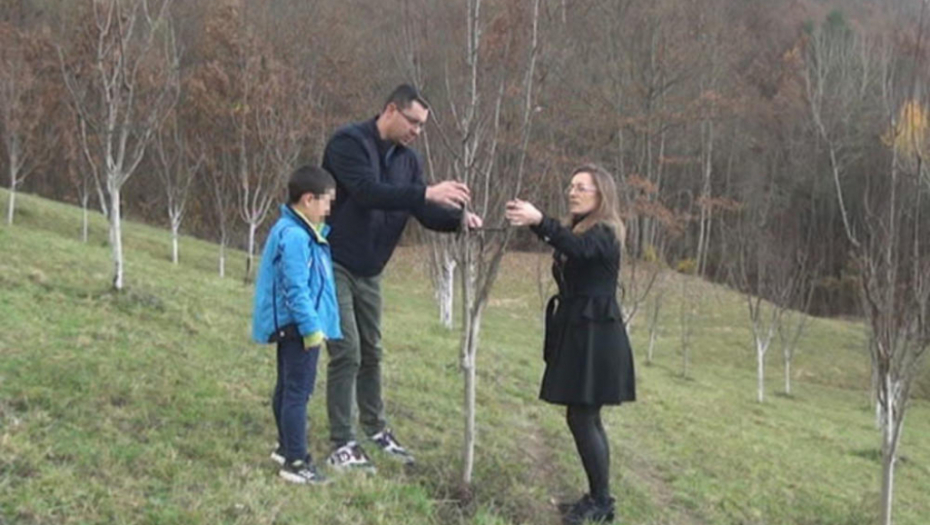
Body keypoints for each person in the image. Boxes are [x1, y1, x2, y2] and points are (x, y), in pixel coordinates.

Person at [321, 84, 483, 471]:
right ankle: (343, 441)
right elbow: (367, 193)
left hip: (370, 270)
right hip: (334, 262)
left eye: (423, 126)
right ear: (390, 110)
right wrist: (425, 192)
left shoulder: (408, 162)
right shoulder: (348, 144)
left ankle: (375, 429)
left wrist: (460, 221)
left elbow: (421, 211)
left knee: (372, 351)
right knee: (347, 352)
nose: (417, 131)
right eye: (413, 122)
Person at [505, 164, 636, 524]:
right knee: (581, 416)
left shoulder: (606, 232)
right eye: (571, 185)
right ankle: (598, 498)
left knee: (584, 416)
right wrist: (534, 222)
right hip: (580, 330)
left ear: (601, 195)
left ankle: (602, 502)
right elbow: (566, 242)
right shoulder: (581, 229)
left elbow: (576, 249)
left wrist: (539, 220)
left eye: (582, 187)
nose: (572, 191)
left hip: (596, 334)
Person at [252, 165, 342, 485]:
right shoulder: (294, 237)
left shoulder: (295, 230)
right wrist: (311, 328)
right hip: (298, 328)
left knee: (287, 387)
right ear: (307, 200)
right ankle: (296, 461)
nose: (329, 208)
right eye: (326, 201)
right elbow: (295, 288)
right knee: (297, 393)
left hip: (294, 325)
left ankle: (285, 446)